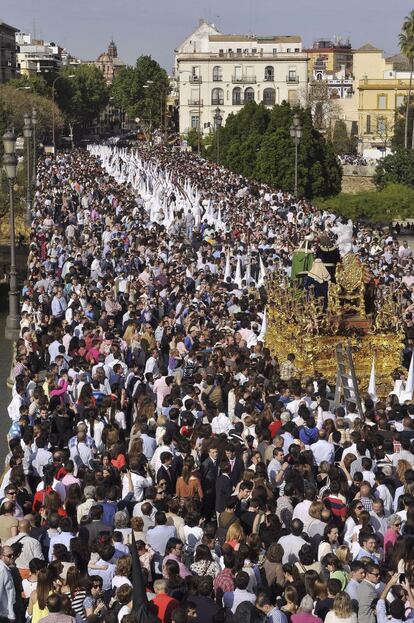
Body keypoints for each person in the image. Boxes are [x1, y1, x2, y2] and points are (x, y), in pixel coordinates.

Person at [0, 545, 16, 622]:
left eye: (13, 554)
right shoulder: (2, 570)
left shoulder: (5, 569)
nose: (12, 557)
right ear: (2, 556)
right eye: (9, 555)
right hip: (4, 614)